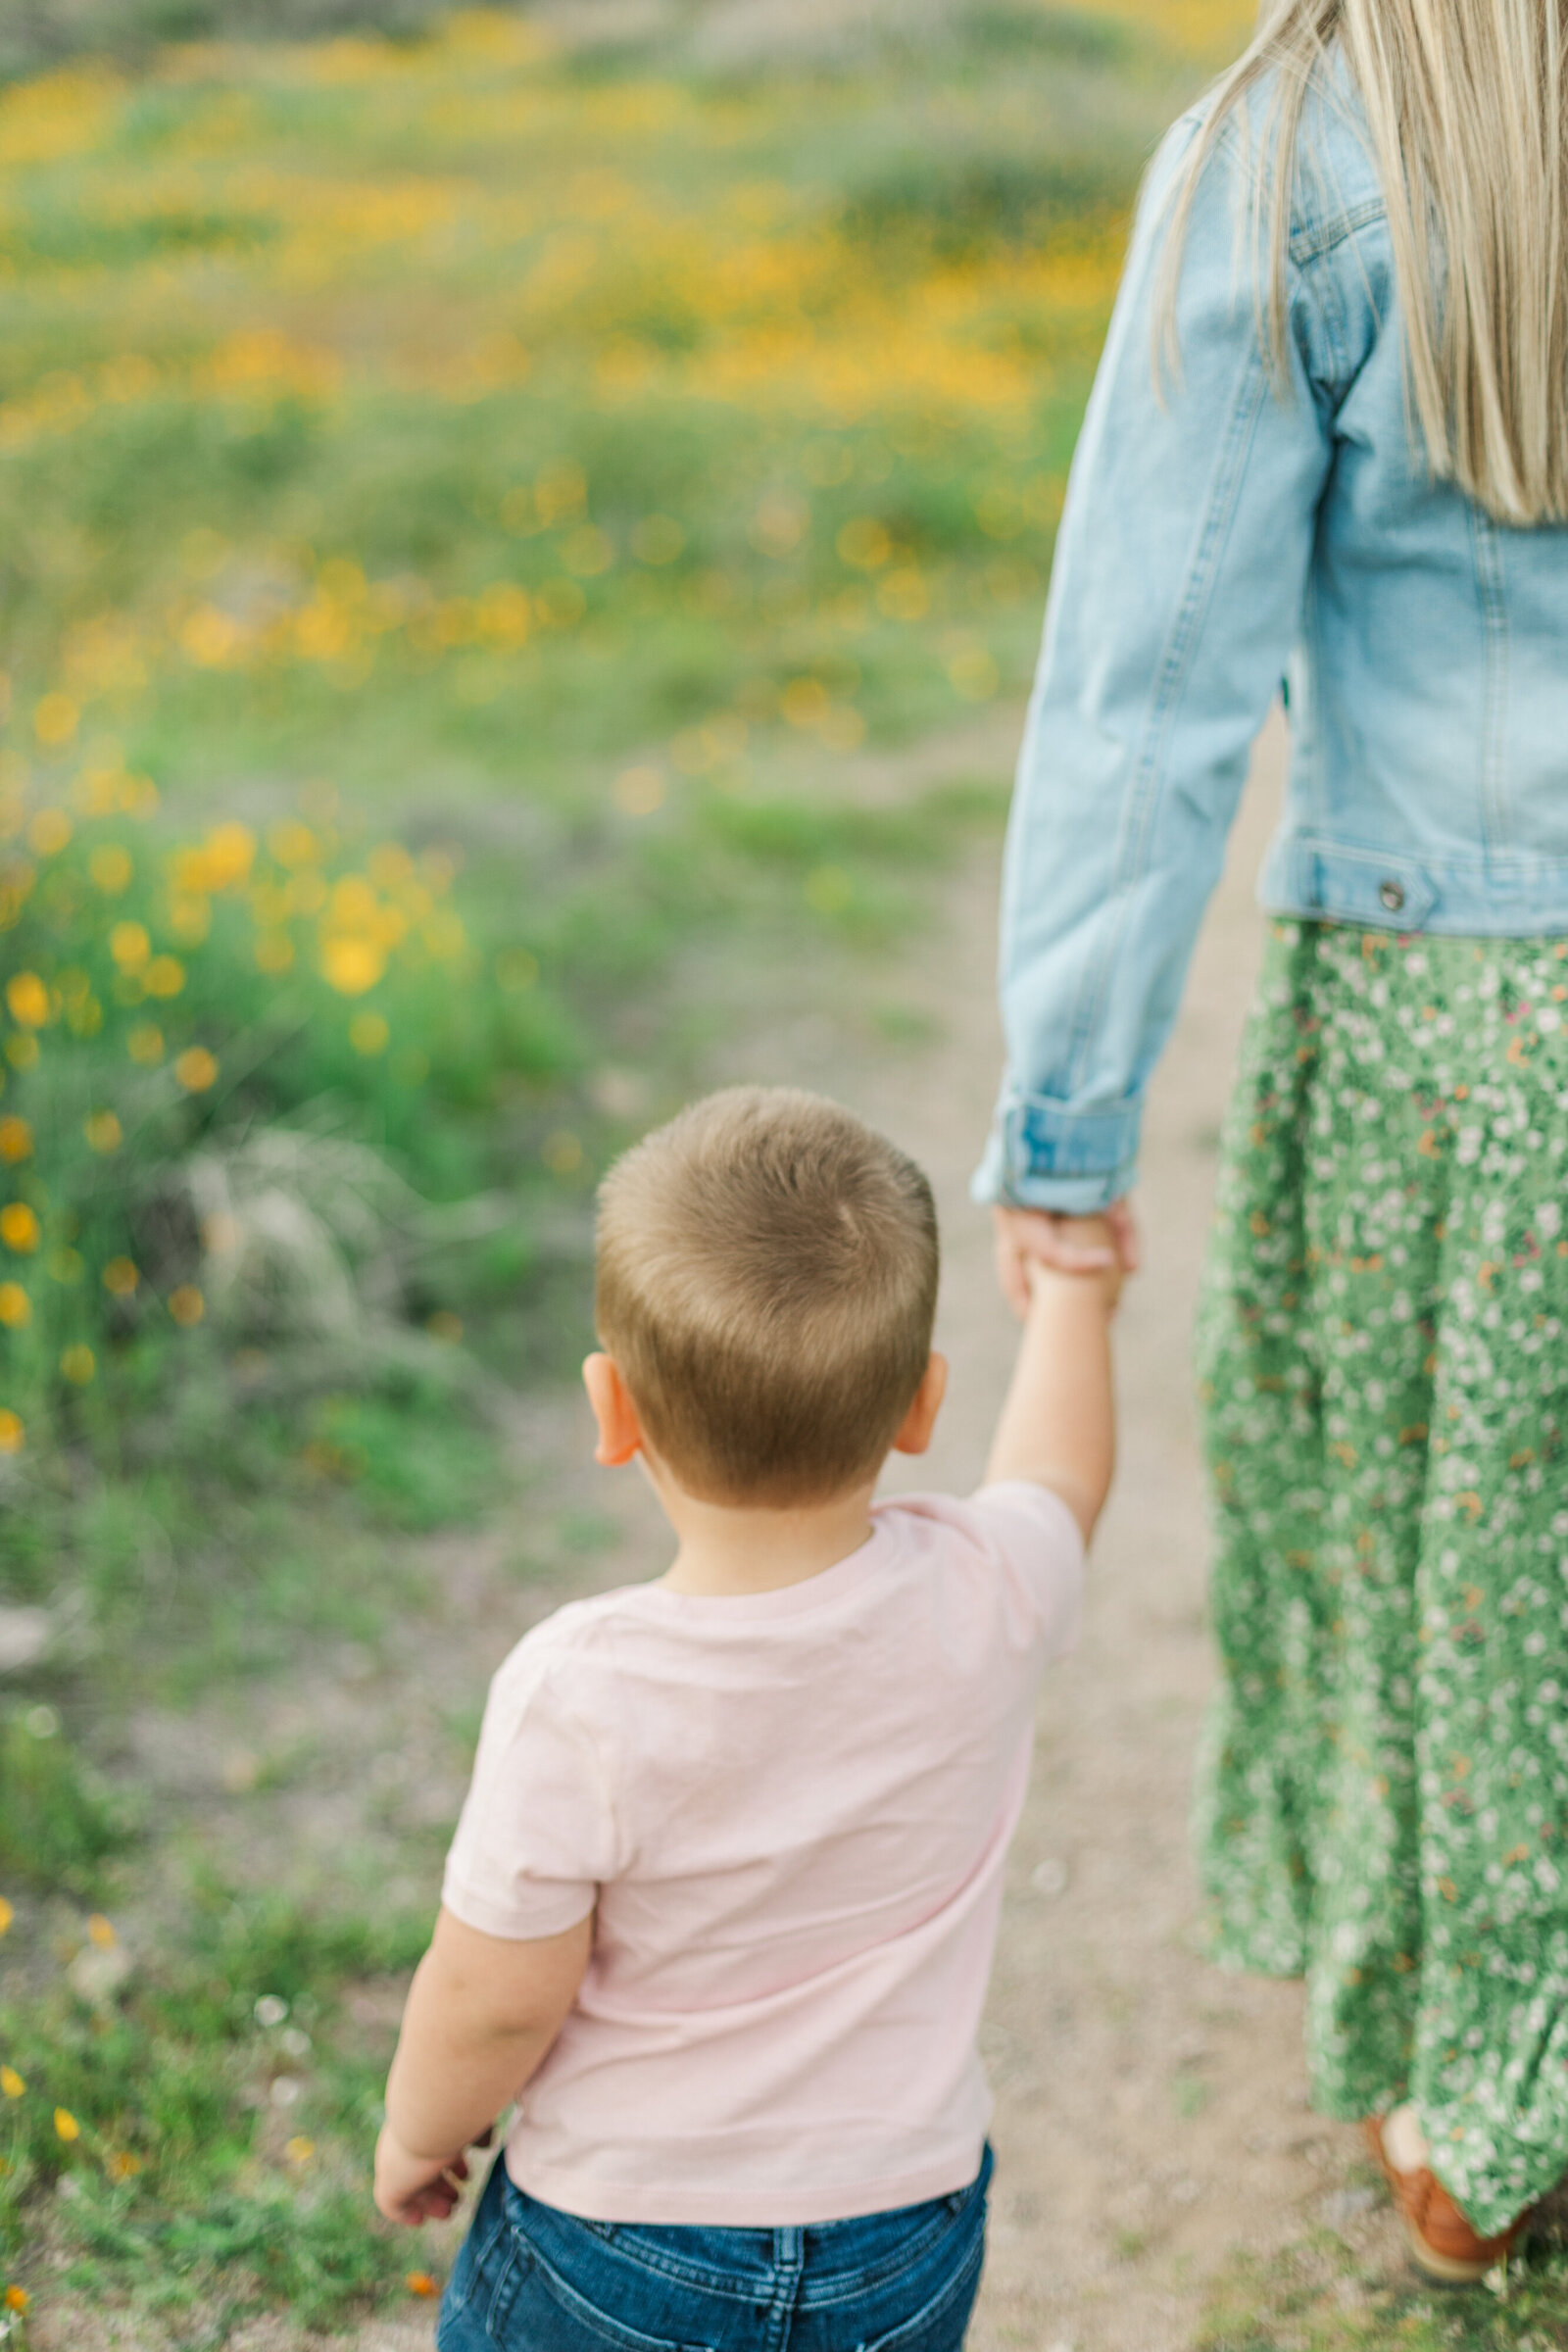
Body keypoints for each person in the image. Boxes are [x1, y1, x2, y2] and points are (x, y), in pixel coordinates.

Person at [977, 0, 1568, 2288]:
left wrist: (1067, 1118)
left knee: (1462, 1573)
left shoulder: (1286, 156)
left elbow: (1148, 689)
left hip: (1452, 1017)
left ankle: (1484, 2099)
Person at [372, 1085, 1119, 2350]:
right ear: (922, 1407)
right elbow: (1061, 1474)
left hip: (619, 2241)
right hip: (907, 2231)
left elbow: (498, 1997)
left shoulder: (580, 1691)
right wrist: (1074, 1297)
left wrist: (415, 2135)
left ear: (612, 1414)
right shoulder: (986, 1588)